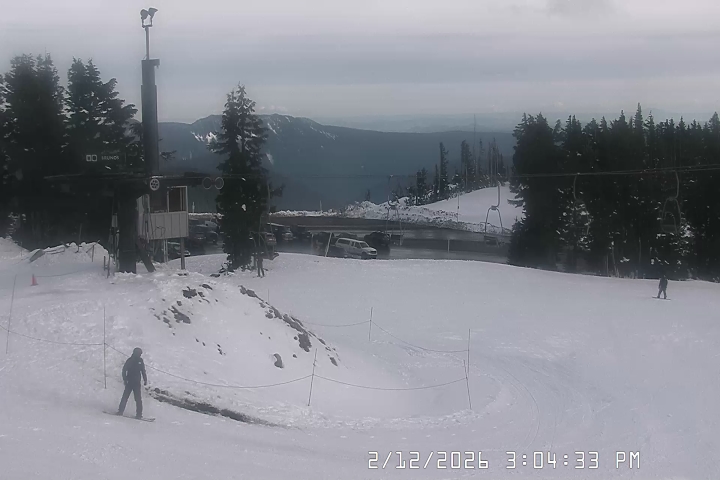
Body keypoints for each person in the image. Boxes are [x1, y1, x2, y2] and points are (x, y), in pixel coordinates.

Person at [117, 347, 148, 418]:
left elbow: (143, 371)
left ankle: (139, 414)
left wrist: (145, 380)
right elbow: (124, 370)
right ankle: (121, 411)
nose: (140, 355)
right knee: (126, 397)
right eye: (139, 353)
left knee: (137, 399)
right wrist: (125, 379)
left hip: (136, 383)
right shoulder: (130, 360)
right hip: (130, 382)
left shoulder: (140, 361)